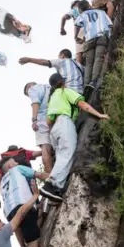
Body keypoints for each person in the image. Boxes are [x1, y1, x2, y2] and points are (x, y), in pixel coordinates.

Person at [41, 73, 110, 201]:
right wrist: (100, 115)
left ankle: (56, 189)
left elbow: (48, 122)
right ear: (62, 82)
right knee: (67, 153)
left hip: (55, 128)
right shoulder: (65, 91)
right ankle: (51, 185)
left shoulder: (53, 98)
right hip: (64, 122)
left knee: (63, 155)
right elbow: (83, 105)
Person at [74, 0, 112, 93]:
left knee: (89, 63)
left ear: (80, 10)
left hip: (89, 39)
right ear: (89, 5)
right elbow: (110, 24)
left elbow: (77, 23)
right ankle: (94, 81)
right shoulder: (101, 12)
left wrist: (76, 36)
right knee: (98, 58)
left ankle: (86, 84)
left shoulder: (82, 15)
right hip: (102, 36)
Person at [18, 49, 84, 94]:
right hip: (81, 91)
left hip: (69, 91)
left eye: (58, 56)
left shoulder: (61, 61)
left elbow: (45, 62)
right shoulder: (79, 65)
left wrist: (29, 60)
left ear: (62, 55)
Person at [23, 83, 54, 175]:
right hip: (54, 116)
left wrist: (34, 119)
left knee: (45, 148)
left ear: (29, 87)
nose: (29, 95)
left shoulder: (32, 89)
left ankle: (50, 177)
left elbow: (35, 102)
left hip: (42, 120)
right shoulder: (48, 86)